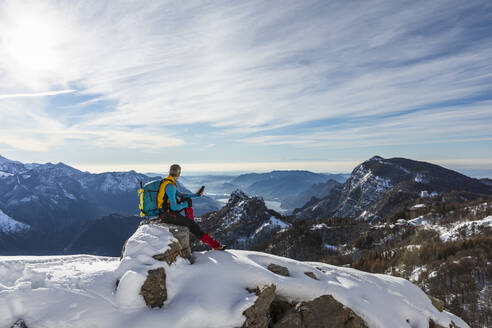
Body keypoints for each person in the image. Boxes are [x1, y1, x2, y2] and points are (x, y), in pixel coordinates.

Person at [157, 164, 226, 251]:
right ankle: (215, 245)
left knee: (188, 200)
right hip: (167, 215)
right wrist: (185, 204)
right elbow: (174, 207)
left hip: (166, 213)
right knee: (194, 226)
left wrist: (196, 195)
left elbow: (181, 195)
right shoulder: (170, 186)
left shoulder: (168, 182)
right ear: (178, 173)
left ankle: (191, 221)